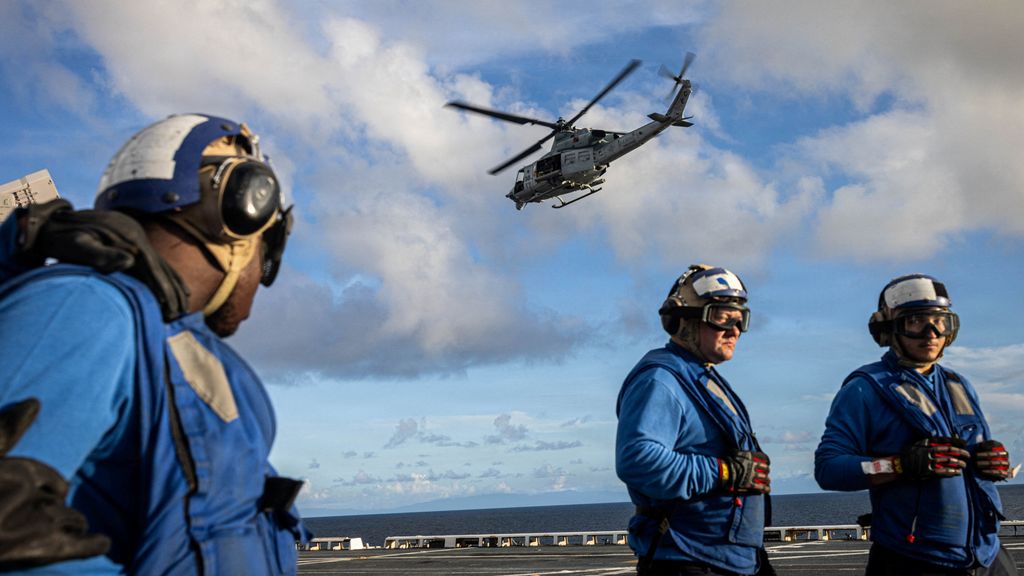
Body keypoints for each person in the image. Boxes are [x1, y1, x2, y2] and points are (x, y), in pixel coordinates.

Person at [0, 113, 306, 574]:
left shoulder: (196, 361)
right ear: (241, 216)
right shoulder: (85, 308)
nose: (263, 280)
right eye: (269, 248)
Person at [815, 274, 1017, 576]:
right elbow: (829, 468)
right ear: (888, 328)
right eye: (916, 322)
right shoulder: (864, 389)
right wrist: (900, 465)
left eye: (939, 321)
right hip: (913, 560)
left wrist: (991, 462)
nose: (931, 333)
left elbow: (966, 461)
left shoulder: (958, 385)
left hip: (986, 554)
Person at [616, 264, 773, 576]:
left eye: (740, 318)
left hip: (730, 557)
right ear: (681, 321)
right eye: (721, 317)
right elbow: (637, 461)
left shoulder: (700, 376)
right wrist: (725, 472)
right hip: (688, 557)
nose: (735, 330)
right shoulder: (661, 380)